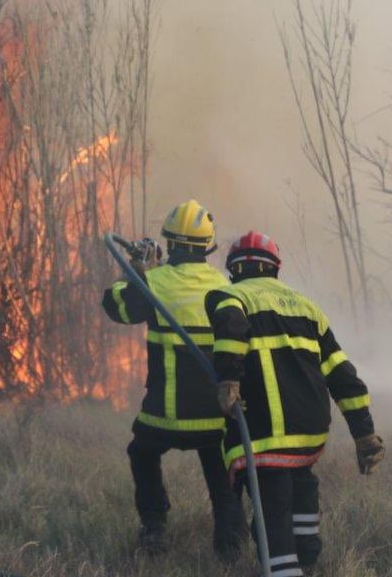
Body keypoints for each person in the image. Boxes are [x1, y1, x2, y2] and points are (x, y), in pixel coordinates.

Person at [206, 231, 384, 577]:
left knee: (272, 511)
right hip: (308, 432)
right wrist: (364, 433)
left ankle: (286, 566)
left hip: (263, 431)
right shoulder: (306, 306)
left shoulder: (231, 296)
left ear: (234, 270)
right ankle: (308, 559)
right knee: (301, 486)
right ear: (274, 268)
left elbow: (230, 327)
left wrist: (228, 378)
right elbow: (342, 374)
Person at [101, 200, 246, 560]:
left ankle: (154, 529)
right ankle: (229, 547)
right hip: (215, 416)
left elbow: (115, 306)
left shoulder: (153, 282)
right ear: (207, 247)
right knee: (221, 471)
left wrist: (135, 270)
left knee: (142, 452)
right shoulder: (225, 286)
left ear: (171, 242)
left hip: (164, 415)